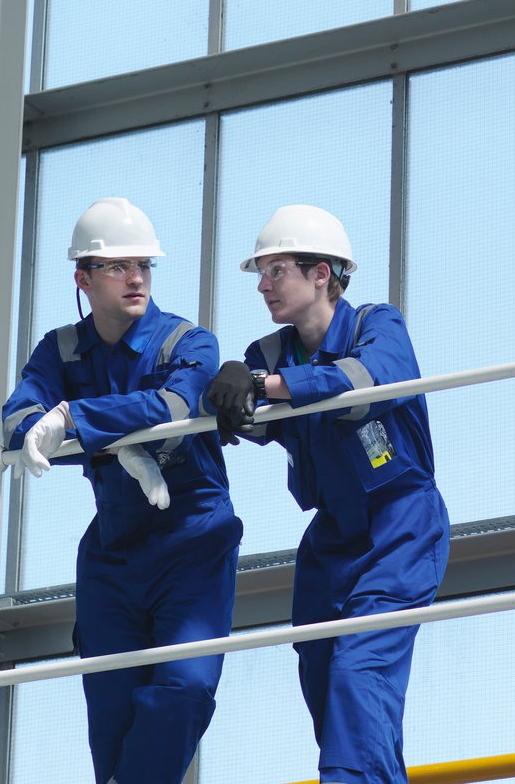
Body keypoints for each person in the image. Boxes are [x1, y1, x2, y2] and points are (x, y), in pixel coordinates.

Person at [203, 205, 450, 784]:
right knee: (323, 673)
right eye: (260, 274)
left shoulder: (375, 324)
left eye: (276, 270)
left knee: (358, 671)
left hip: (401, 530)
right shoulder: (267, 355)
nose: (263, 286)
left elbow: (373, 379)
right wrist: (228, 394)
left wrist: (270, 387)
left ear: (322, 274)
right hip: (331, 544)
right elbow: (254, 421)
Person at [1, 197, 237, 784]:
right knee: (111, 718)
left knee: (184, 688)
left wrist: (77, 422)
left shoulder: (188, 342)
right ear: (82, 278)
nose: (136, 278)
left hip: (193, 541)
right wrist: (113, 440)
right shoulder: (61, 350)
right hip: (113, 552)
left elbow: (176, 405)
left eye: (144, 266)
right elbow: (16, 420)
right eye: (117, 266)